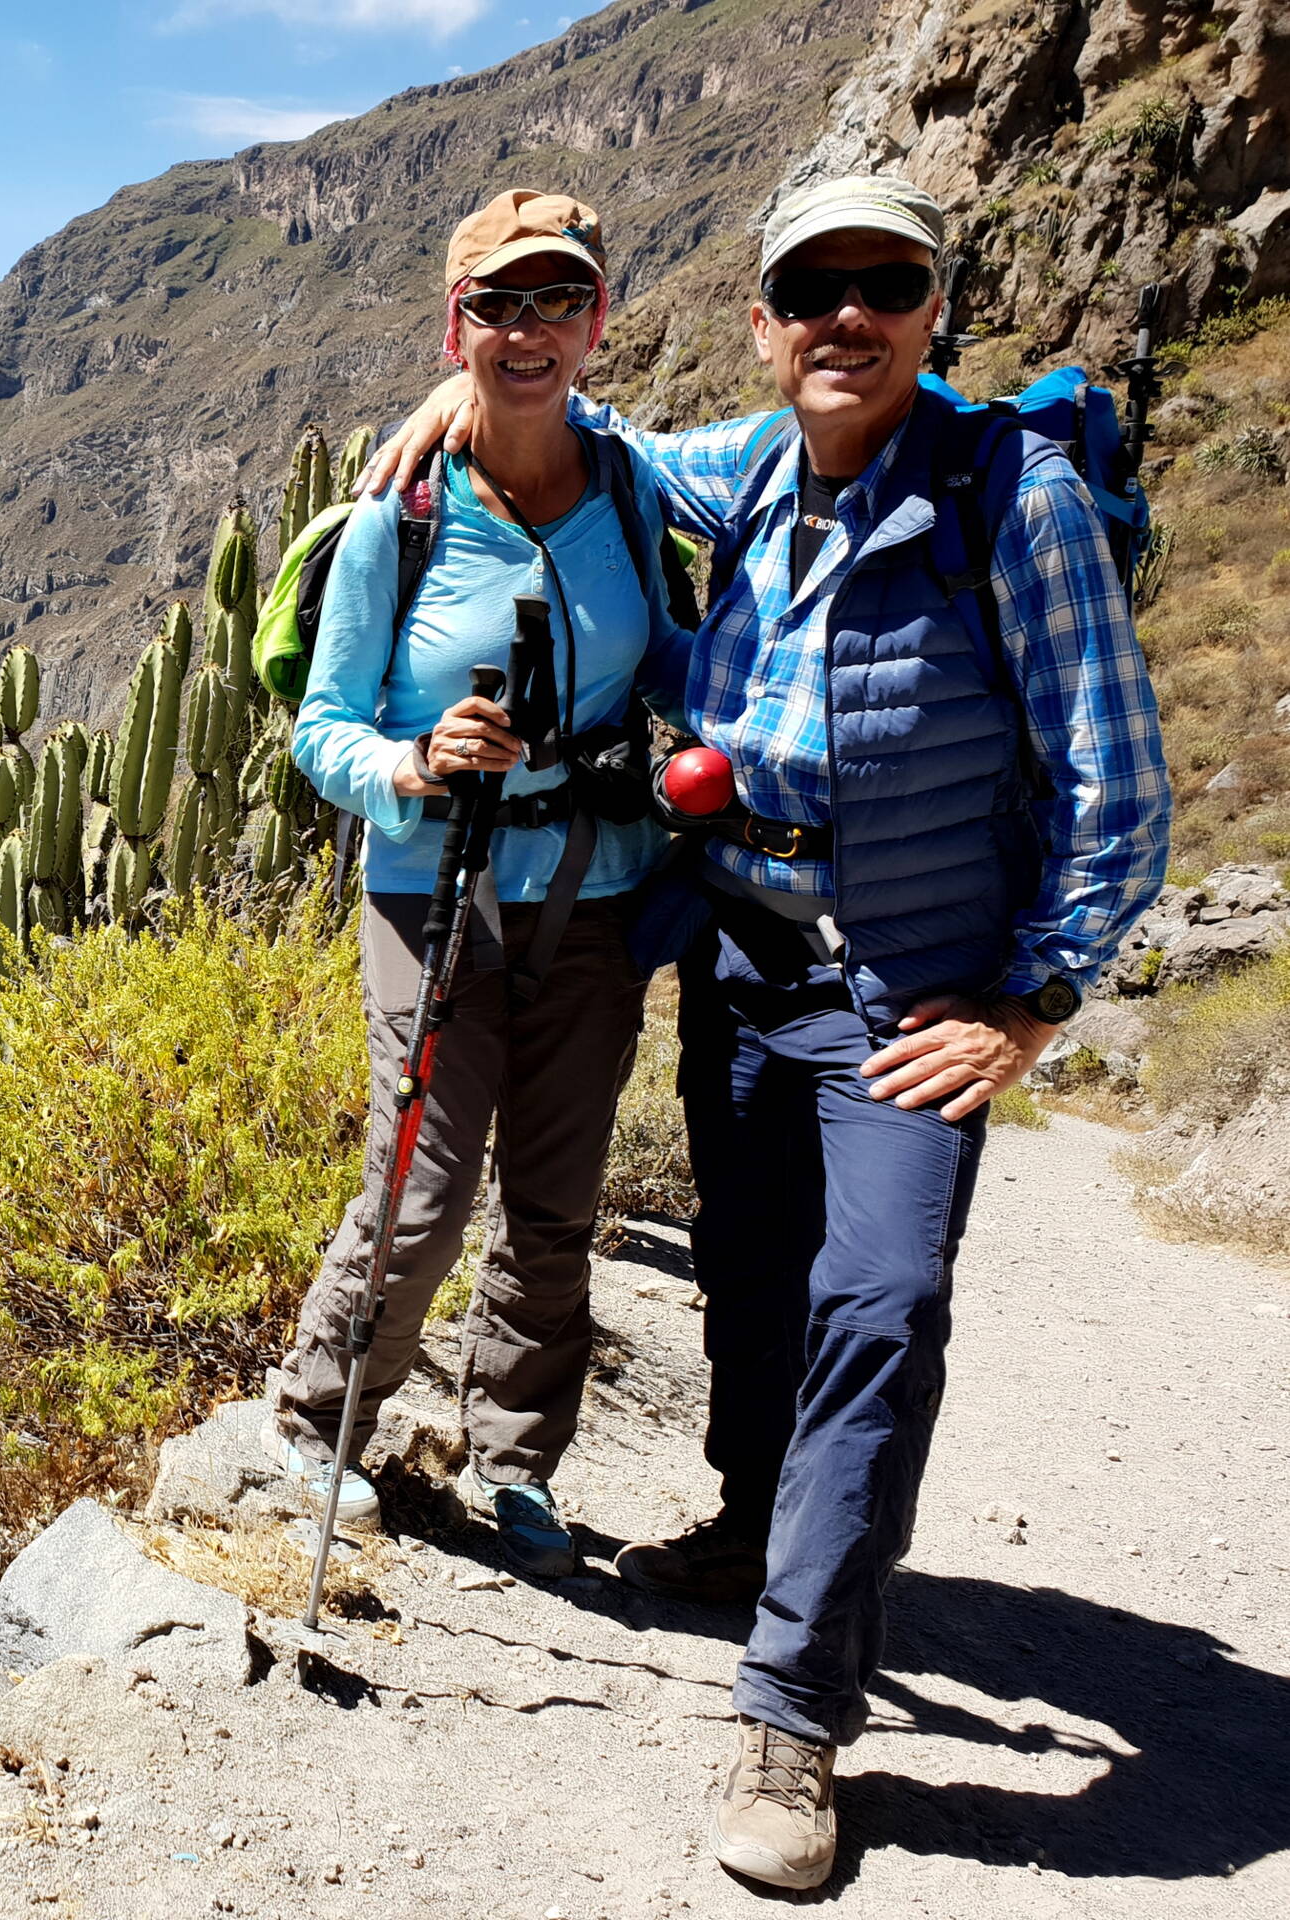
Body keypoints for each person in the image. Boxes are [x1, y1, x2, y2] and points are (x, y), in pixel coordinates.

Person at [361, 175, 1170, 1890]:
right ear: (765, 320)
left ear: (934, 310)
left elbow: (1121, 785)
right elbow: (588, 432)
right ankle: (750, 1523)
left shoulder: (1008, 503)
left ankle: (795, 1716)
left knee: (881, 1302)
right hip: (738, 952)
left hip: (911, 992)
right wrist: (474, 388)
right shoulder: (732, 471)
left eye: (887, 286)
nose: (847, 318)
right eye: (814, 289)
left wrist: (1033, 1002)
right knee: (751, 1268)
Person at [268, 189, 692, 1585]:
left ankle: (514, 1460)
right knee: (425, 1184)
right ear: (456, 326)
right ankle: (319, 1421)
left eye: (556, 301)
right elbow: (319, 726)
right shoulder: (401, 514)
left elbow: (681, 653)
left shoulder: (632, 487)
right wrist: (410, 756)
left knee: (558, 1199)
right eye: (498, 306)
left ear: (598, 322)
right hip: (429, 883)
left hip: (598, 887)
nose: (527, 331)